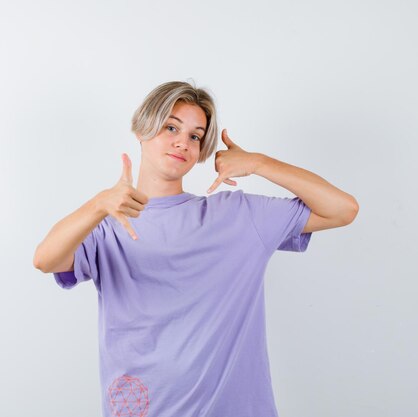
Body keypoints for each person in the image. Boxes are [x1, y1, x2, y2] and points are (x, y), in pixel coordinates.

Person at [33, 80, 359, 417]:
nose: (182, 142)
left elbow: (342, 209)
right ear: (142, 130)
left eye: (195, 136)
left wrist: (258, 163)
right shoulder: (107, 226)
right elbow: (45, 259)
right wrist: (99, 204)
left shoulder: (237, 216)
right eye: (170, 127)